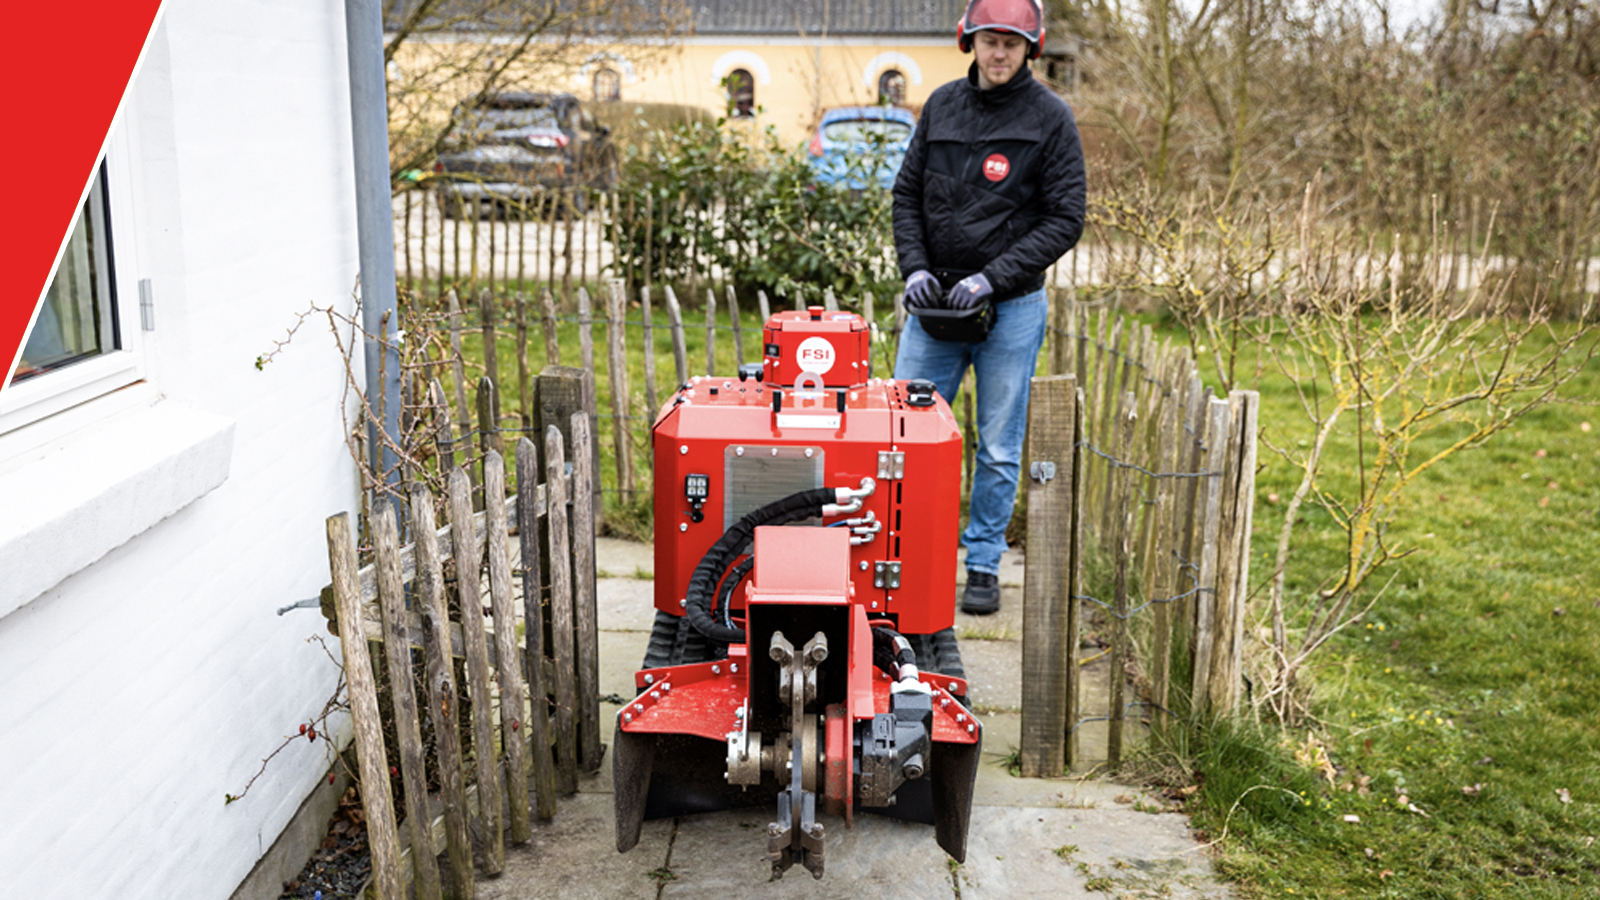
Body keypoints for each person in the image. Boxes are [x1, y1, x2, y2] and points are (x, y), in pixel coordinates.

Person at [891, 0, 1086, 614]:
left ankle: (980, 563)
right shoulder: (942, 105)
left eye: (1011, 42)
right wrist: (915, 268)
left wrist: (993, 278)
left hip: (1011, 307)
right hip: (934, 307)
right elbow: (906, 196)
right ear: (967, 41)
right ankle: (902, 554)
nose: (999, 53)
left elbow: (1065, 218)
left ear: (1032, 47)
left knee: (997, 446)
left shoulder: (1051, 117)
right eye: (989, 41)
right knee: (904, 436)